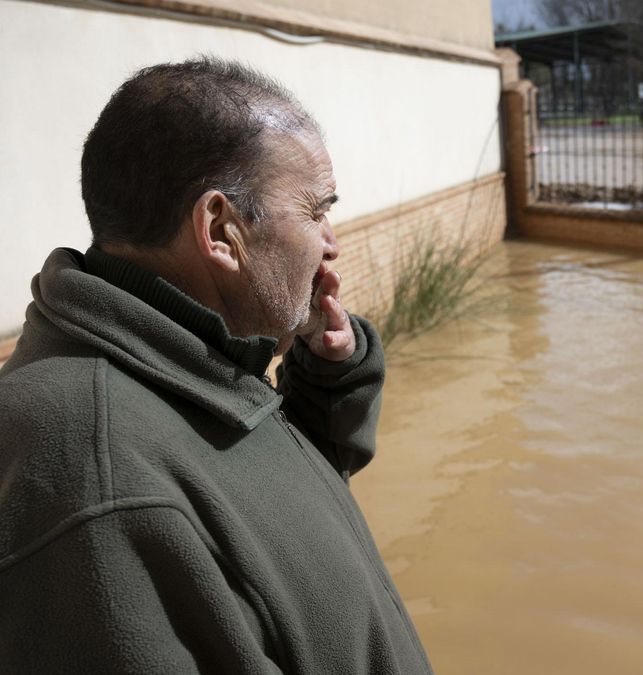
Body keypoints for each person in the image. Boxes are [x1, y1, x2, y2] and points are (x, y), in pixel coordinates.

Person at [0, 57, 432, 673]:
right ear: (222, 231)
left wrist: (329, 374)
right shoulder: (92, 477)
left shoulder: (189, 363)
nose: (331, 243)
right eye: (315, 211)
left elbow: (273, 497)